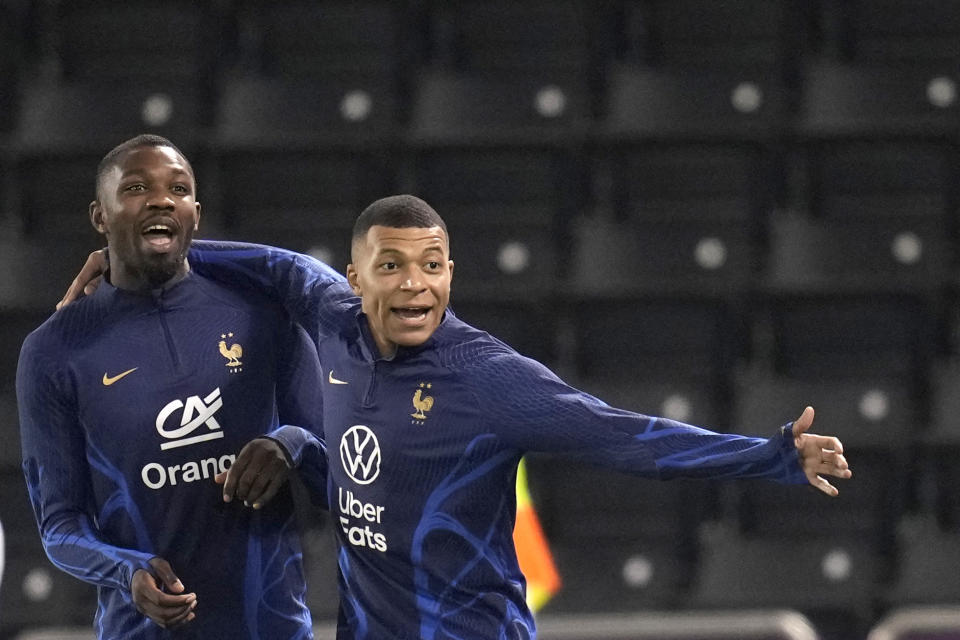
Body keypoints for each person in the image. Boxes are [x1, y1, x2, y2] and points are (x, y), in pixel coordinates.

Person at [62, 194, 852, 640]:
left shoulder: (490, 380)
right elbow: (278, 266)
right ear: (356, 277)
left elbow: (628, 438)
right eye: (395, 266)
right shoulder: (332, 319)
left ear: (451, 274)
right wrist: (150, 262)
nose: (417, 286)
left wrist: (771, 456)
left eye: (433, 266)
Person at [17, 134, 336, 638]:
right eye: (137, 187)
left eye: (179, 189)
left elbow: (338, 482)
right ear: (100, 218)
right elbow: (61, 528)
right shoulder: (54, 350)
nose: (162, 199)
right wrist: (127, 570)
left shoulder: (264, 313)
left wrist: (292, 445)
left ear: (195, 213)